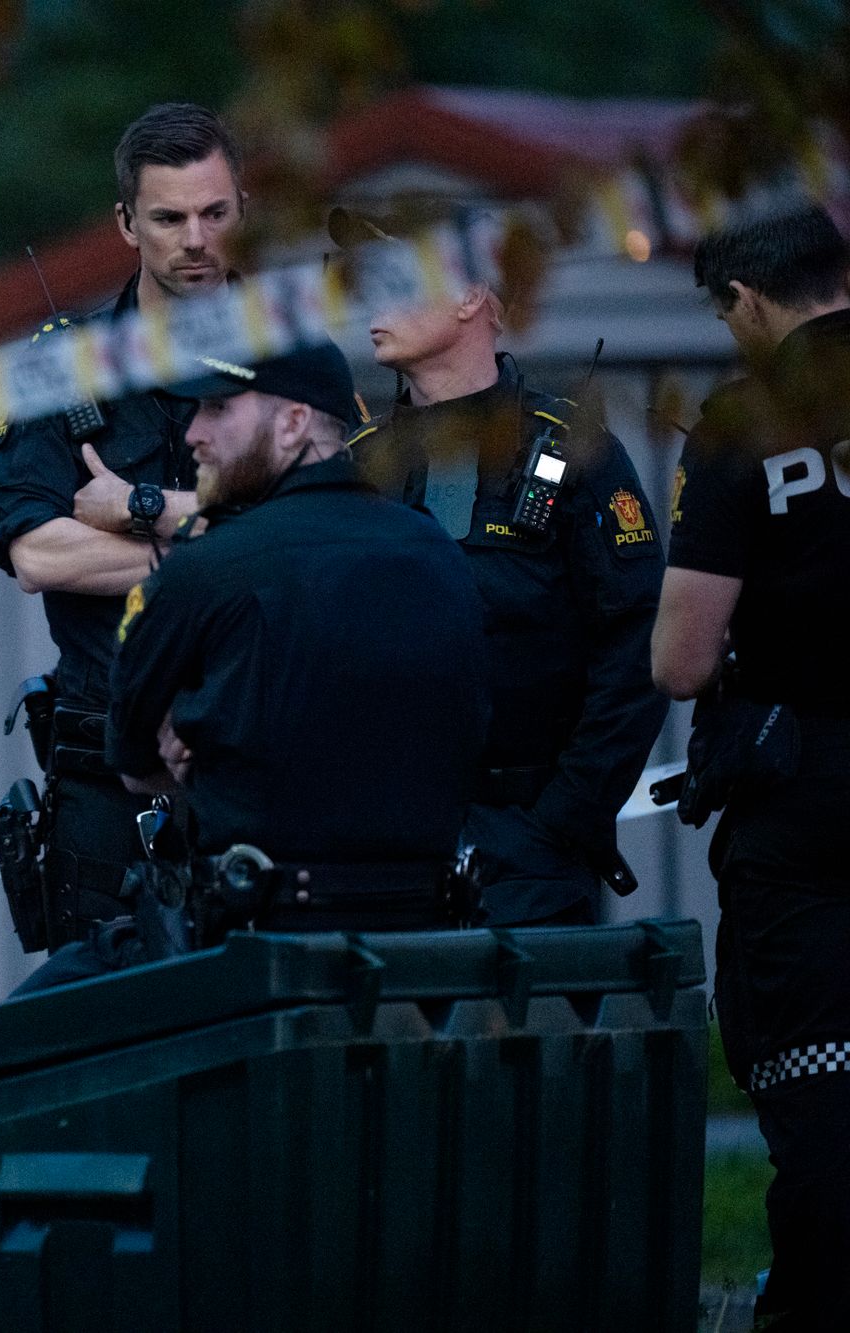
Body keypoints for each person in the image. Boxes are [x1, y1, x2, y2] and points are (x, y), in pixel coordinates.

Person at [18, 341, 488, 992]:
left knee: (0, 1040)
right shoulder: (439, 551)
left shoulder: (207, 568)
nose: (193, 433)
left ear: (293, 423)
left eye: (217, 408)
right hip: (430, 956)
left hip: (254, 958)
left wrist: (202, 756)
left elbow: (131, 764)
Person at [337, 207, 667, 927]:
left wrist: (559, 822)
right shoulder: (358, 468)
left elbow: (639, 646)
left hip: (532, 858)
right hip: (382, 858)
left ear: (468, 297)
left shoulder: (571, 452)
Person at [0, 101, 243, 953]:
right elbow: (35, 553)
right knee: (103, 1047)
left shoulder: (291, 357)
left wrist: (140, 513)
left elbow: (330, 531)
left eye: (215, 213)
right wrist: (221, 541)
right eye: (169, 218)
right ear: (126, 223)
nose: (195, 238)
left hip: (257, 750)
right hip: (104, 761)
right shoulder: (63, 367)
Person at [652, 203, 850, 1332]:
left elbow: (680, 658)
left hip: (806, 795)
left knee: (817, 1080)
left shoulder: (744, 419)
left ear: (744, 300)